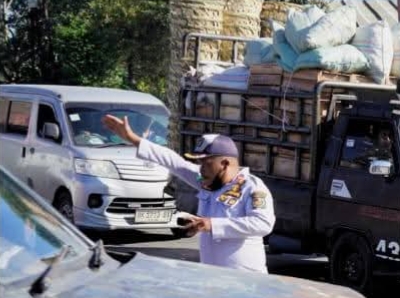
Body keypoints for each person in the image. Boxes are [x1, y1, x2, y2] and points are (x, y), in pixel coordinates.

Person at [102, 115, 275, 273]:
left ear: (224, 163)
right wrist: (133, 139)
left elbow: (263, 224)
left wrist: (211, 224)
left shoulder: (251, 187)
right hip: (213, 279)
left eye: (205, 163)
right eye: (199, 163)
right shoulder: (207, 181)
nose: (201, 169)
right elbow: (174, 162)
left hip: (247, 283)